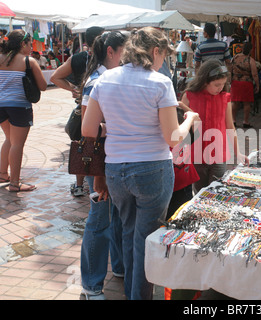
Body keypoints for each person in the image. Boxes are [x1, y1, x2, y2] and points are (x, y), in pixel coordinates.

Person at [82, 27, 199, 300]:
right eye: (163, 56)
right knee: (146, 240)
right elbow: (172, 137)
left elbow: (88, 129)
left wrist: (120, 127)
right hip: (151, 169)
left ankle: (132, 293)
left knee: (128, 231)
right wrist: (190, 119)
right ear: (155, 51)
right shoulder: (159, 82)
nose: (163, 63)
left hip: (116, 170)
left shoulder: (106, 78)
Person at [78, 31, 128, 300]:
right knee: (99, 221)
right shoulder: (98, 81)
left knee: (116, 218)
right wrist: (98, 175)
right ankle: (91, 286)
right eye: (124, 51)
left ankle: (118, 268)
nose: (127, 56)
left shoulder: (108, 78)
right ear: (111, 51)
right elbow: (89, 133)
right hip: (101, 162)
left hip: (113, 160)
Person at [180, 59, 249, 194]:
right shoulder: (189, 96)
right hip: (196, 155)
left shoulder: (225, 98)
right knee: (200, 194)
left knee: (216, 191)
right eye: (217, 84)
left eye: (223, 84)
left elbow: (230, 126)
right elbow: (183, 128)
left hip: (219, 154)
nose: (221, 88)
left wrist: (237, 152)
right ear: (205, 81)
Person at [51, 26, 104, 197]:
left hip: (84, 108)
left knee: (83, 144)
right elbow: (54, 78)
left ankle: (80, 185)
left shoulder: (79, 57)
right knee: (92, 143)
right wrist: (75, 89)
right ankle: (94, 182)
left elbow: (55, 77)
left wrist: (75, 89)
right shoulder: (106, 59)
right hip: (98, 111)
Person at [0, 30, 47, 191]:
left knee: (9, 139)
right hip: (19, 106)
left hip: (0, 106)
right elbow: (43, 86)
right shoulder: (29, 61)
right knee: (17, 144)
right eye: (29, 44)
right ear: (22, 44)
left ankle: (2, 174)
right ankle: (14, 183)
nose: (31, 47)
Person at [230, 41, 259, 128]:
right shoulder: (251, 60)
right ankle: (245, 121)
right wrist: (257, 85)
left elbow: (230, 69)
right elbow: (254, 74)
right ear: (251, 50)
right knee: (247, 103)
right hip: (246, 83)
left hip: (235, 82)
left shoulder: (235, 58)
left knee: (235, 102)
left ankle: (233, 120)